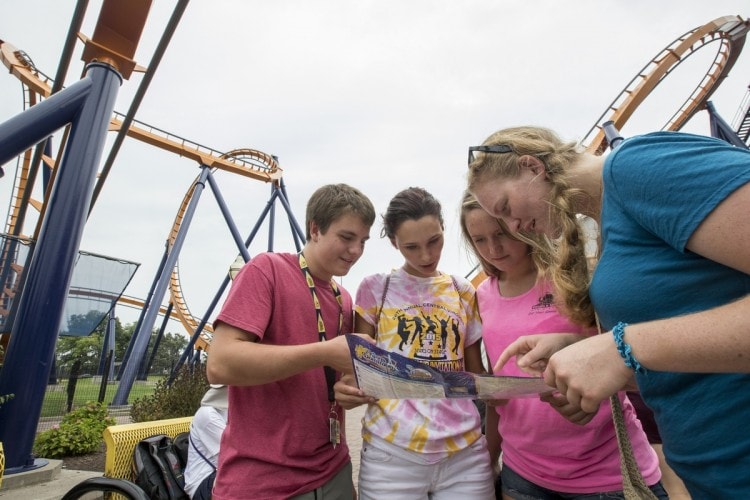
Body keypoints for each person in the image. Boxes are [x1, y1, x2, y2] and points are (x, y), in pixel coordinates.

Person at [466, 126, 750, 498]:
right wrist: (578, 348)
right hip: (714, 471)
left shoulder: (638, 165)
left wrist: (622, 346)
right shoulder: (607, 222)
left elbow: (635, 345)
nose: (514, 227)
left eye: (506, 209)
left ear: (532, 166)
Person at [459, 190, 666, 499]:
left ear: (521, 223)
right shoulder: (482, 297)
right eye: (479, 240)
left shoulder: (573, 279)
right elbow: (499, 398)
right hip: (524, 474)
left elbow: (636, 356)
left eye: (501, 233)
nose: (493, 249)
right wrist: (489, 459)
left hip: (606, 471)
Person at [206, 183, 376, 500]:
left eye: (363, 241)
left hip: (333, 471)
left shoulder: (345, 300)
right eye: (346, 237)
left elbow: (335, 382)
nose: (356, 250)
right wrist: (322, 353)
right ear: (315, 229)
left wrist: (348, 391)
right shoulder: (266, 270)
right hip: (263, 481)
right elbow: (219, 364)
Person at [334, 186, 495, 499]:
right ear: (394, 243)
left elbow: (474, 373)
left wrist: (506, 385)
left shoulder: (462, 291)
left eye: (434, 241)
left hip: (464, 454)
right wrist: (347, 389)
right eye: (412, 246)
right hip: (392, 456)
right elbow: (357, 372)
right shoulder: (375, 289)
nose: (426, 255)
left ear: (443, 228)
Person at [184, 385, 228, 499]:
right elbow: (232, 454)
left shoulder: (229, 410)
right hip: (201, 483)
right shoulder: (208, 414)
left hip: (219, 476)